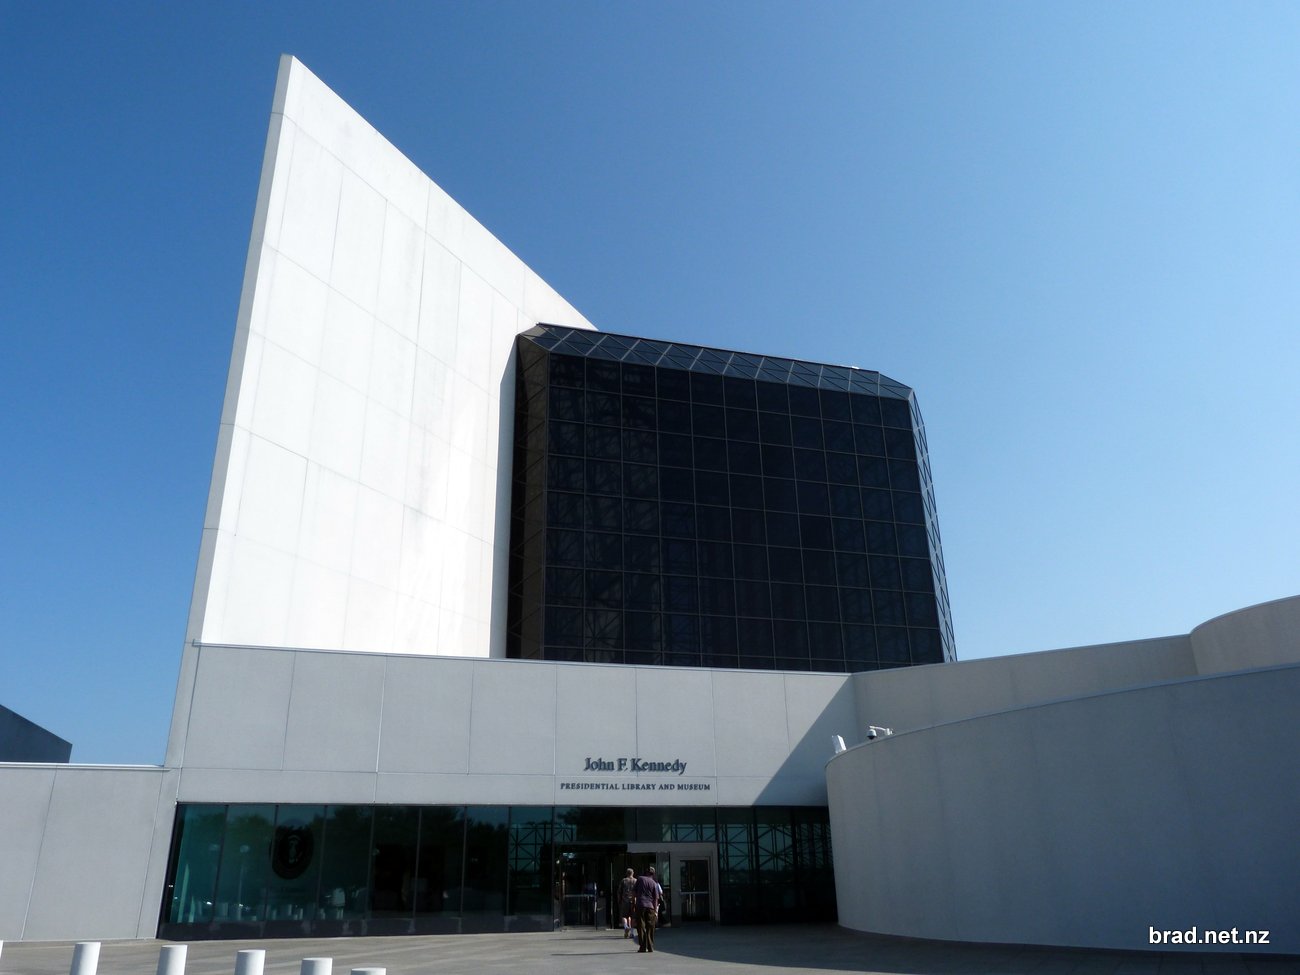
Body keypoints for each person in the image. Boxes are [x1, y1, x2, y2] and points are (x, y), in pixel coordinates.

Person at [633, 865, 661, 953]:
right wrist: (655, 911)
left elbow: (634, 892)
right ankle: (650, 947)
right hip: (651, 907)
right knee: (650, 927)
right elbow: (656, 898)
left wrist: (634, 903)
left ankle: (642, 947)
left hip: (640, 905)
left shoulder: (640, 879)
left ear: (645, 872)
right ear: (653, 874)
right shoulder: (654, 883)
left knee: (641, 926)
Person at [617, 867, 637, 938]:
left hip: (625, 901)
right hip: (633, 901)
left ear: (626, 873)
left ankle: (626, 927)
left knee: (624, 916)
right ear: (633, 873)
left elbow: (619, 892)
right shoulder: (636, 881)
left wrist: (619, 900)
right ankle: (632, 932)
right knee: (633, 917)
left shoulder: (623, 880)